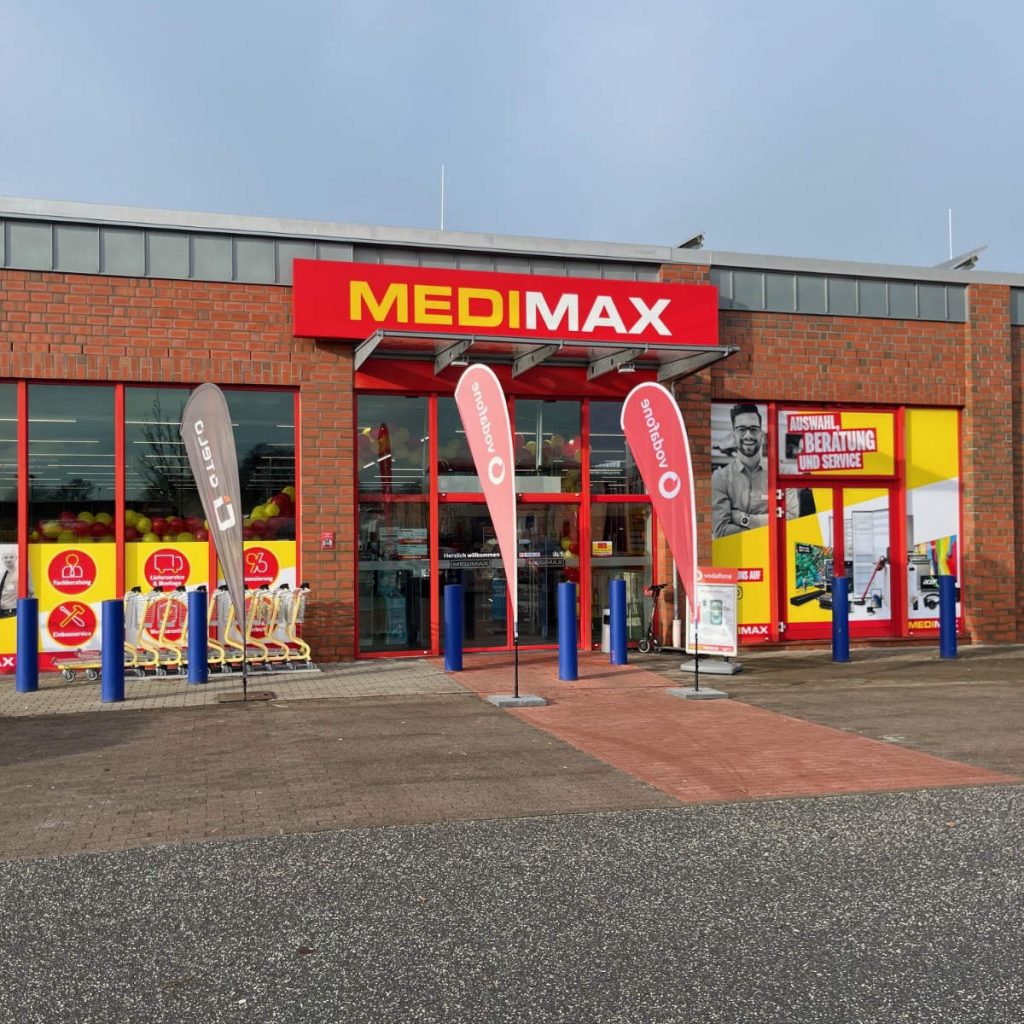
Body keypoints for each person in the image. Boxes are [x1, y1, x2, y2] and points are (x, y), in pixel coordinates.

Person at [712, 404, 798, 538]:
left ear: (761, 435)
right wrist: (770, 523)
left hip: (774, 551)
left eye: (754, 429)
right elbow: (721, 531)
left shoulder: (784, 473)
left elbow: (792, 520)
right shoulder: (720, 478)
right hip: (737, 552)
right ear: (733, 435)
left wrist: (744, 519)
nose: (748, 435)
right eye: (741, 429)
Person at [0, 549, 18, 618]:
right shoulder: (2, 574)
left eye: (11, 557)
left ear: (16, 558)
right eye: (6, 557)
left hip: (13, 611)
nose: (8, 559)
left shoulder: (20, 573)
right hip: (2, 611)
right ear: (2, 559)